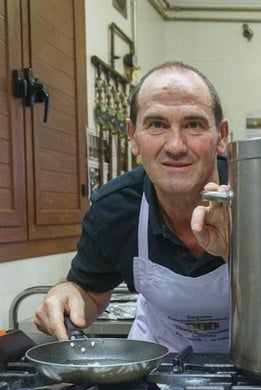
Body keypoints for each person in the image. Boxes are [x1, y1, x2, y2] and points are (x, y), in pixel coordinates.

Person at [34, 61, 232, 353]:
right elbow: (89, 293)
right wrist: (66, 294)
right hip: (157, 365)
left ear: (222, 136)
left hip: (254, 362)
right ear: (133, 136)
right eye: (156, 124)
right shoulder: (114, 209)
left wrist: (236, 250)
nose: (176, 145)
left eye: (193, 124)